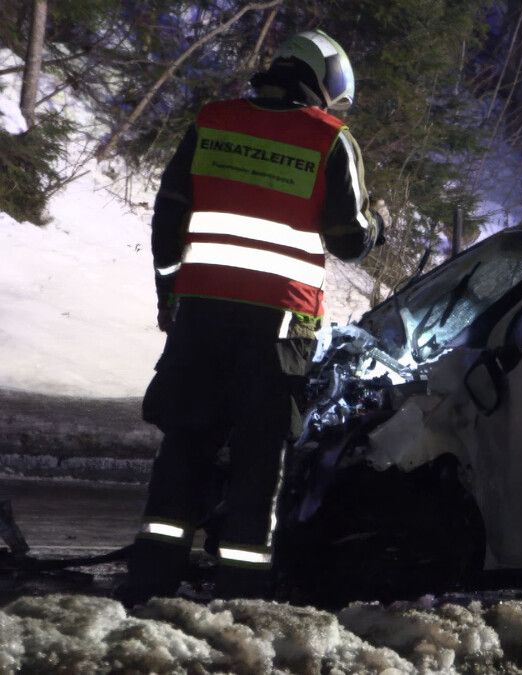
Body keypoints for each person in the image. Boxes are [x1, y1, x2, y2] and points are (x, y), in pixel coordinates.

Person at [118, 29, 383, 605]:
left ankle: (151, 581)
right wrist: (377, 223)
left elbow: (169, 214)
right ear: (324, 79)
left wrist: (171, 295)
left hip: (200, 317)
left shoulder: (213, 121)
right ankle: (243, 595)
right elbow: (349, 241)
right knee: (260, 459)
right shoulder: (329, 139)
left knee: (184, 443)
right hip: (278, 329)